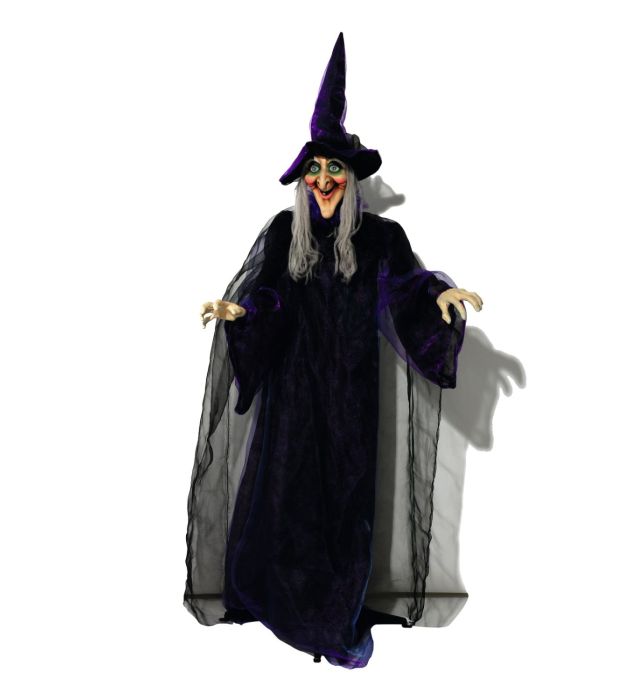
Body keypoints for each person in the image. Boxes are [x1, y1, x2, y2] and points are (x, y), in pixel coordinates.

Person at [184, 32, 483, 669]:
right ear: (304, 180)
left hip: (349, 391)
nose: (324, 180)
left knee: (346, 501)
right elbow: (268, 296)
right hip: (292, 393)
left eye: (334, 171)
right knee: (286, 496)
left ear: (350, 179)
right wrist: (241, 313)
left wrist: (439, 297)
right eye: (315, 171)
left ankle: (334, 613)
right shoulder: (283, 233)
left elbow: (406, 286)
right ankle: (286, 604)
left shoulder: (379, 238)